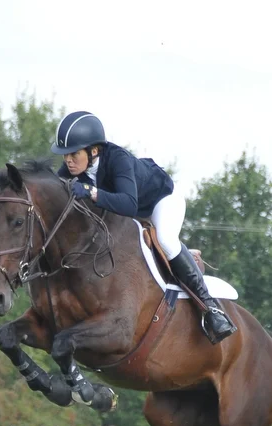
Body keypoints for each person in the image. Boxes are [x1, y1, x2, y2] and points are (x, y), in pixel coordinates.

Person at [51, 111, 236, 344]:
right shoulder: (72, 169)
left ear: (94, 151)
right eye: (65, 155)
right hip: (128, 211)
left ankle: (211, 309)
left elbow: (129, 204)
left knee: (166, 240)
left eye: (73, 154)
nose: (68, 160)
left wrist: (91, 192)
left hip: (159, 201)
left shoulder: (118, 160)